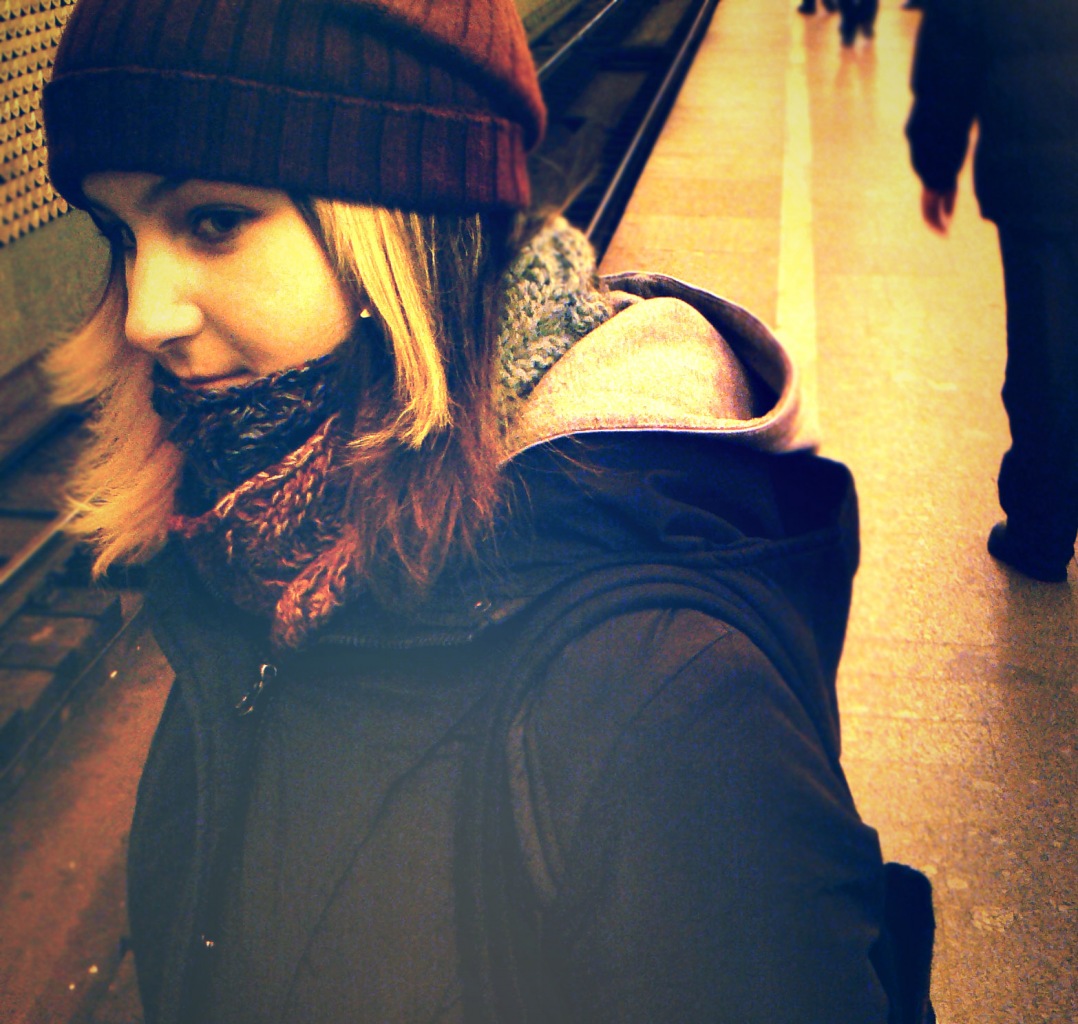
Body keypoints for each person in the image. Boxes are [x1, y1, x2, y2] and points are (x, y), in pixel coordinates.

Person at [42, 0, 936, 1021]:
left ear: (398, 229)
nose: (145, 313)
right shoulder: (255, 545)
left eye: (213, 221)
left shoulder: (663, 701)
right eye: (121, 234)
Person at [906, 0, 1078, 583]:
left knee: (1046, 354)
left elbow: (953, 45)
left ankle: (1040, 530)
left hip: (1039, 167)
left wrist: (936, 162)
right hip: (1039, 165)